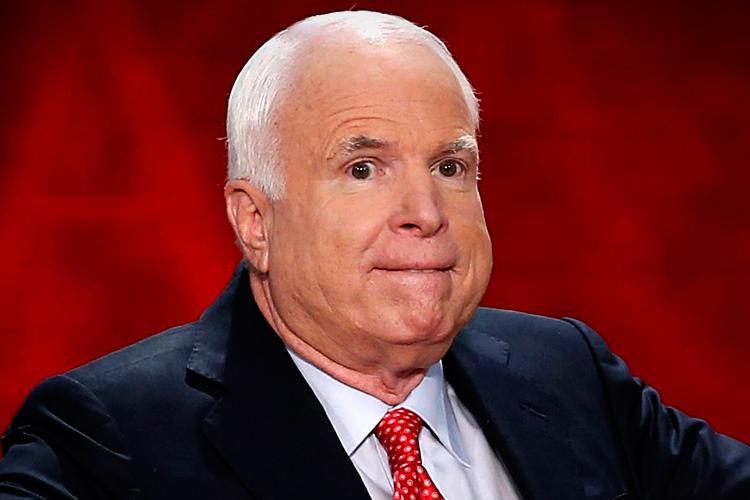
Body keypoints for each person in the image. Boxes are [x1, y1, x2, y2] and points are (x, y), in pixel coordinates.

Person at [0, 10, 748, 500]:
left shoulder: (570, 372)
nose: (426, 214)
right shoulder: (105, 439)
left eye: (451, 168)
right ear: (254, 219)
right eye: (364, 169)